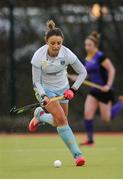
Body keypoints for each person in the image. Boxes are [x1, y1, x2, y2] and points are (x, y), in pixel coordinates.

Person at [28, 20, 87, 166]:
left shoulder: (67, 54)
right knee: (62, 119)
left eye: (59, 43)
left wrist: (72, 89)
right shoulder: (38, 57)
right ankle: (77, 155)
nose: (56, 46)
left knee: (57, 121)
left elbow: (82, 72)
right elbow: (36, 82)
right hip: (44, 89)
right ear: (47, 42)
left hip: (63, 88)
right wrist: (44, 96)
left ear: (62, 42)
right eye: (52, 43)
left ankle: (40, 116)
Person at [69, 31, 123, 146]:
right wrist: (74, 77)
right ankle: (90, 140)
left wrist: (108, 85)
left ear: (95, 45)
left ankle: (120, 104)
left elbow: (112, 70)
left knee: (106, 118)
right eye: (86, 45)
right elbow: (86, 74)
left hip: (105, 90)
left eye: (89, 45)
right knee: (87, 114)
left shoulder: (100, 56)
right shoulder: (87, 58)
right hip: (94, 90)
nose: (87, 47)